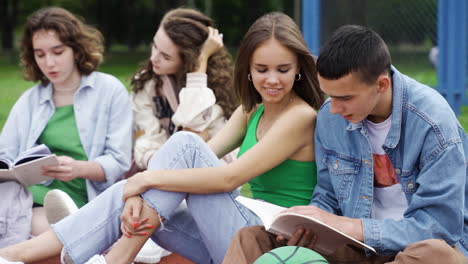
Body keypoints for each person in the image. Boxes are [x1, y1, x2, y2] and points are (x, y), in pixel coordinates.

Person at [0, 11, 325, 264]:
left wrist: (143, 181)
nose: (271, 80)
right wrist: (137, 196)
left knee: (181, 149)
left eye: (283, 69)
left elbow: (228, 177)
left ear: (298, 68)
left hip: (266, 244)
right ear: (249, 69)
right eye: (262, 69)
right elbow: (191, 166)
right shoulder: (252, 109)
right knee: (157, 209)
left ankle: (101, 256)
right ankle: (21, 252)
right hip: (229, 239)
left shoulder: (300, 116)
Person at [222, 25, 468, 264]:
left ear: (381, 85)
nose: (334, 109)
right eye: (330, 95)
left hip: (414, 249)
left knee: (437, 254)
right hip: (357, 249)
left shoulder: (433, 124)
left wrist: (353, 227)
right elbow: (327, 193)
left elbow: (440, 227)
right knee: (251, 238)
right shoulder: (330, 116)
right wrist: (308, 223)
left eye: (345, 98)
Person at [0, 7, 132, 247]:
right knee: (26, 219)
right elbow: (5, 154)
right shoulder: (29, 100)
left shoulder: (110, 91)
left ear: (76, 49)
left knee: (28, 226)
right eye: (39, 54)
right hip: (29, 198)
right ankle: (75, 236)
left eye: (57, 52)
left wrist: (79, 168)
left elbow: (119, 160)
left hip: (85, 197)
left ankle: (75, 232)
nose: (49, 62)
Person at [130, 8, 237, 171]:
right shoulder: (147, 83)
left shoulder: (217, 86)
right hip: (159, 175)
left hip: (212, 177)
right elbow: (146, 142)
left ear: (188, 59)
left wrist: (200, 63)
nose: (153, 58)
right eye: (154, 46)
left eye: (166, 56)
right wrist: (163, 166)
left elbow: (191, 124)